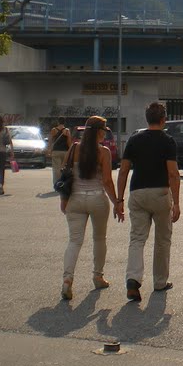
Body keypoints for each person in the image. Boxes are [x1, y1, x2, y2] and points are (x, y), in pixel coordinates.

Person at [116, 101, 181, 303]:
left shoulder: (134, 140)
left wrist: (119, 199)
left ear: (147, 118)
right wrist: (176, 202)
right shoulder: (167, 141)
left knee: (137, 238)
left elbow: (124, 170)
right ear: (163, 120)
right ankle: (160, 281)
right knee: (162, 239)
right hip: (160, 193)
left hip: (137, 193)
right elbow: (172, 173)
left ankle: (133, 280)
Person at [60, 115, 118, 300]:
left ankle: (67, 280)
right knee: (99, 239)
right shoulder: (104, 152)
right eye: (105, 130)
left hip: (75, 200)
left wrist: (64, 199)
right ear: (100, 132)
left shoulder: (73, 148)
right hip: (97, 200)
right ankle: (97, 276)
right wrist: (117, 202)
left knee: (74, 241)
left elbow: (64, 174)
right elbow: (107, 181)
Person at [48, 117, 72, 190]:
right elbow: (69, 142)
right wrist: (70, 151)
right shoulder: (67, 130)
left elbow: (50, 141)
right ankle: (63, 184)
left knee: (56, 169)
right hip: (65, 152)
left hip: (56, 151)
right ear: (64, 122)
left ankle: (56, 185)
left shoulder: (54, 130)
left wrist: (49, 150)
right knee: (64, 169)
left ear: (58, 122)